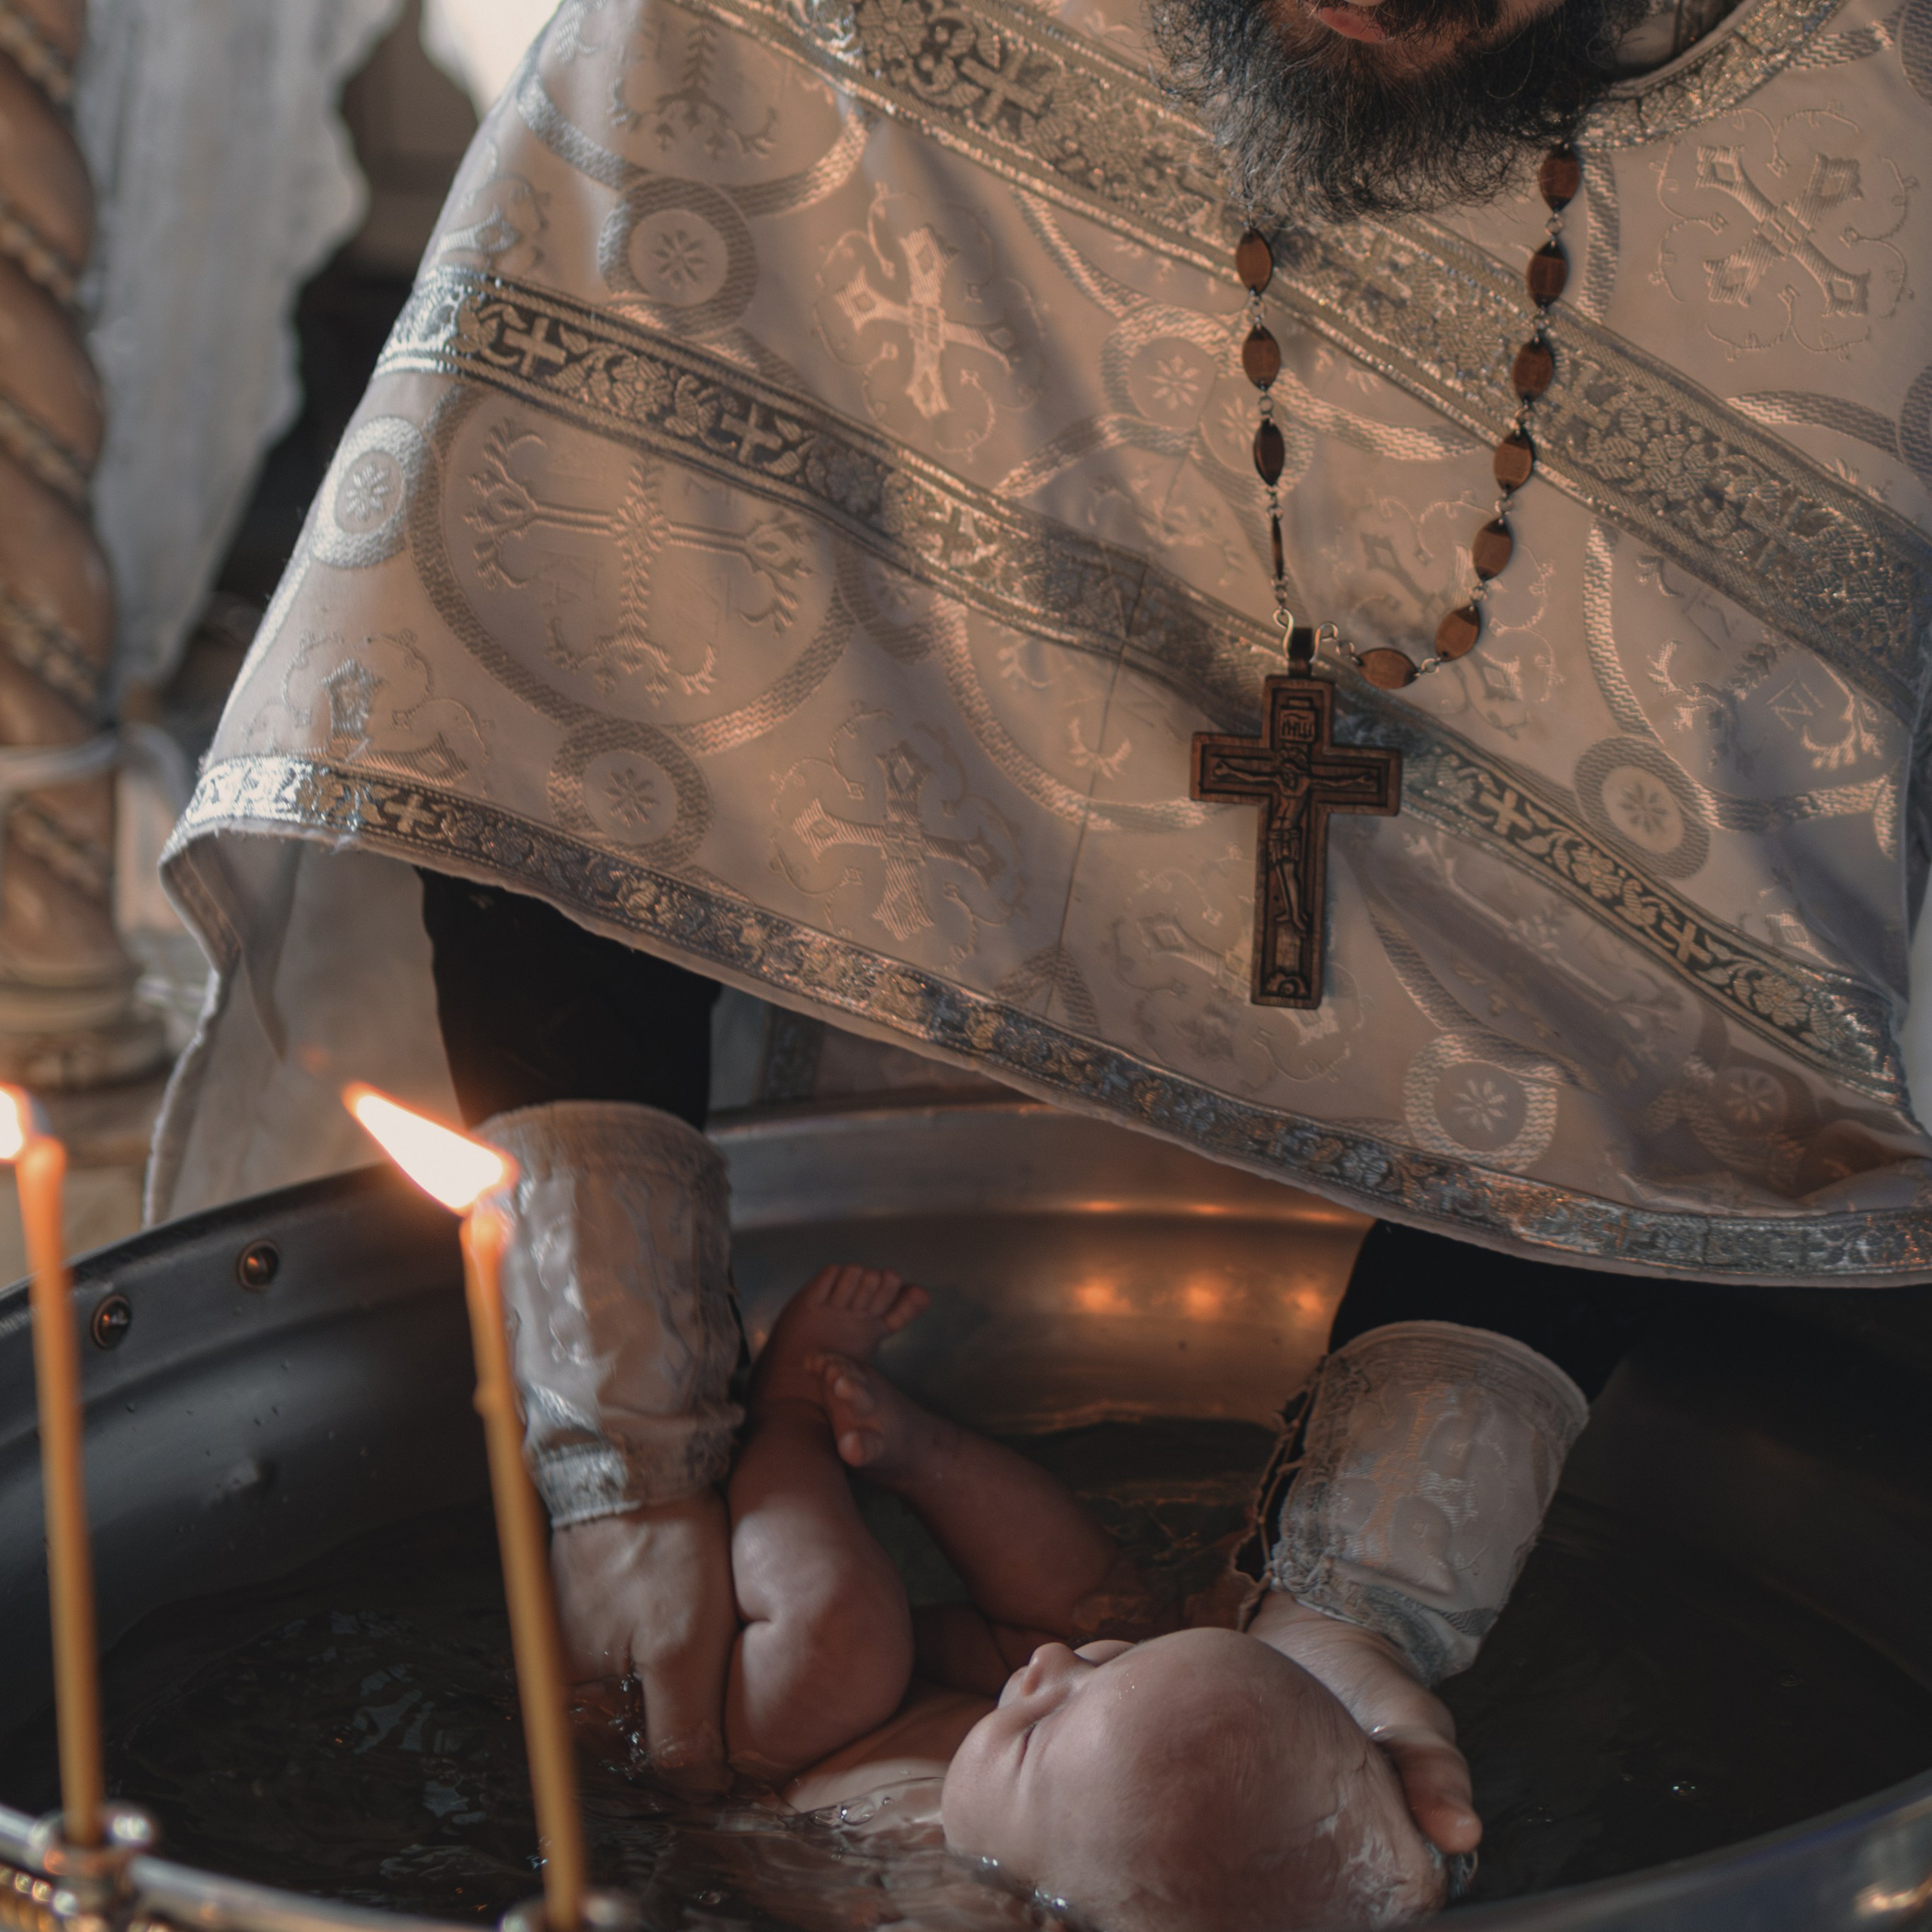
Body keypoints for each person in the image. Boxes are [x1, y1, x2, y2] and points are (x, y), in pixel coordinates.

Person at [148, 0, 1931, 1868]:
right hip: (817, 1044)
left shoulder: (1866, 117)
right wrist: (627, 1449)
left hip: (1530, 1317)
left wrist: (1362, 1605)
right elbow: (562, 626)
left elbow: (1692, 974)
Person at [723, 1260, 1446, 1930]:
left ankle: (794, 1411)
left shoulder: (955, 1909)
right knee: (1112, 1609)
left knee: (843, 1639)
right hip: (969, 1701)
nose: (1052, 1662)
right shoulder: (1058, 1795)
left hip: (789, 1735)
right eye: (1102, 1670)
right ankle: (920, 1454)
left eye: (1041, 1726)